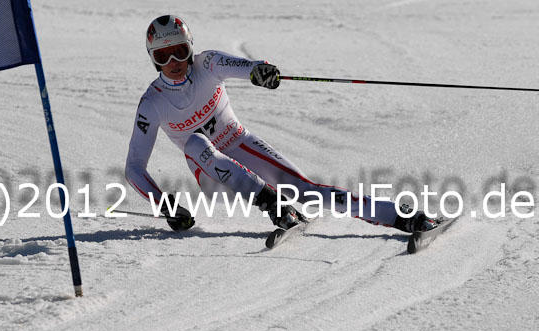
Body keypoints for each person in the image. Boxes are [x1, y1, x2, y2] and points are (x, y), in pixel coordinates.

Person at [125, 15, 436, 233]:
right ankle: (269, 201)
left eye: (178, 51)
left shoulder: (207, 63)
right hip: (214, 178)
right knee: (195, 143)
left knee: (307, 190)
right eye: (163, 56)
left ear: (189, 47)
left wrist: (262, 73)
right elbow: (134, 167)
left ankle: (400, 217)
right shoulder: (152, 103)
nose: (173, 62)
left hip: (240, 144)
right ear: (153, 59)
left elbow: (246, 67)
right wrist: (164, 204)